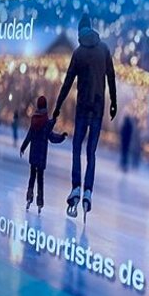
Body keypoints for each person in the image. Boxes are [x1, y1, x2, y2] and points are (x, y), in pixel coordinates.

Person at [52, 12, 116, 216]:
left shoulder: (78, 53)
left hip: (82, 108)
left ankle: (76, 187)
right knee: (91, 152)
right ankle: (88, 190)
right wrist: (114, 102)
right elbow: (111, 77)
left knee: (76, 149)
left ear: (80, 31)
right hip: (97, 108)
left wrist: (58, 105)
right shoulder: (104, 50)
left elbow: (67, 83)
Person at [20, 96, 66, 213]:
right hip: (41, 158)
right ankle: (39, 202)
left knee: (32, 177)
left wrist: (23, 147)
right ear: (45, 106)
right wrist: (62, 137)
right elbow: (52, 137)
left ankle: (29, 197)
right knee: (40, 179)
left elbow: (29, 136)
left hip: (33, 156)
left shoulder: (34, 120)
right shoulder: (46, 123)